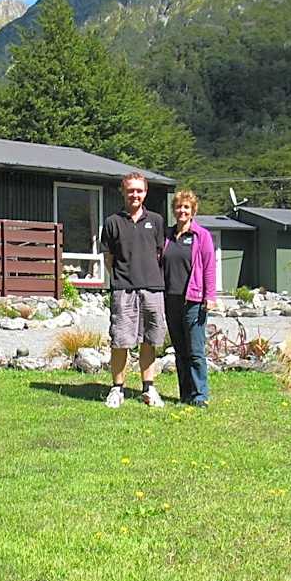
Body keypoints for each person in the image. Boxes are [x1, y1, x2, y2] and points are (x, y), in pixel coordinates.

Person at [101, 172, 167, 408]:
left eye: (139, 190)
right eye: (131, 190)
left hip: (152, 288)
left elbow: (159, 254)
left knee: (150, 339)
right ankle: (117, 389)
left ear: (145, 192)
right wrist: (121, 278)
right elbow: (108, 258)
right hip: (124, 289)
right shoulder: (112, 222)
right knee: (120, 340)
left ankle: (148, 388)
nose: (135, 195)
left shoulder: (157, 221)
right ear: (123, 192)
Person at [162, 190, 216, 408]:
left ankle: (200, 395)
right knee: (180, 351)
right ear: (174, 210)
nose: (182, 211)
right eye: (178, 207)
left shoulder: (201, 236)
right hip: (170, 300)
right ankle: (184, 394)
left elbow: (210, 267)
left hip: (193, 301)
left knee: (195, 351)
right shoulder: (166, 235)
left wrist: (210, 296)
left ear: (193, 210)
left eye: (186, 207)